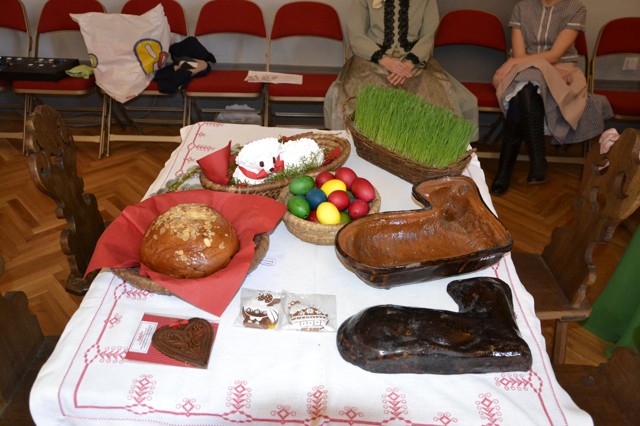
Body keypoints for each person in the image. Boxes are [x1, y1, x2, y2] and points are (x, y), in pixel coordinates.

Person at [490, 0, 613, 196]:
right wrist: (519, 64)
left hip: (562, 70)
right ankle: (538, 159)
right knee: (527, 83)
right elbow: (520, 55)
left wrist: (510, 63)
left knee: (522, 92)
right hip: (524, 69)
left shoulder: (576, 9)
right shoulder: (522, 7)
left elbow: (555, 55)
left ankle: (504, 171)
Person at [323, 0, 478, 136]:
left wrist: (409, 64)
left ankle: (418, 155)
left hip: (414, 61)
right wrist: (384, 60)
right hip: (371, 60)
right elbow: (356, 35)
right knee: (357, 98)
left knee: (436, 100)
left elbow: (428, 36)